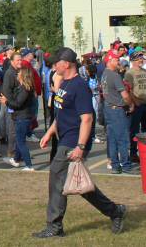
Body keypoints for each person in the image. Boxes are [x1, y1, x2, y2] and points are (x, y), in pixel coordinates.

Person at [34, 48, 125, 239]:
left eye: (56, 62)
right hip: (64, 139)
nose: (54, 66)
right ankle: (115, 211)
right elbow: (61, 113)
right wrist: (50, 132)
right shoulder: (65, 83)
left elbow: (87, 119)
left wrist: (81, 147)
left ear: (66, 64)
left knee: (57, 181)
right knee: (80, 186)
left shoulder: (79, 86)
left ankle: (54, 226)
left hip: (73, 141)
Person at [101, 52, 132, 174]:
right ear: (109, 61)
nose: (118, 62)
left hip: (108, 108)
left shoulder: (105, 74)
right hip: (117, 109)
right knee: (122, 139)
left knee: (112, 139)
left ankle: (115, 165)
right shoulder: (114, 76)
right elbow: (124, 95)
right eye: (116, 60)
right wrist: (130, 104)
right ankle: (126, 165)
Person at [8, 63, 38, 171]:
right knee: (19, 139)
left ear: (23, 74)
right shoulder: (24, 87)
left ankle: (29, 165)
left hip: (22, 117)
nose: (18, 73)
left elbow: (17, 103)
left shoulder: (25, 88)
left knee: (21, 142)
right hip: (23, 117)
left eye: (19, 72)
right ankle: (16, 160)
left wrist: (6, 102)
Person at [123, 51, 146, 163]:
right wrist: (135, 102)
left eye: (142, 58)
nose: (141, 60)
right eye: (139, 58)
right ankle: (133, 153)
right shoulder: (129, 73)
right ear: (133, 60)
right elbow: (128, 90)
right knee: (134, 130)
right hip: (137, 104)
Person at [0, 51, 24, 166]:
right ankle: (12, 154)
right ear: (12, 61)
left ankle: (18, 154)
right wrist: (12, 104)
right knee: (13, 131)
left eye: (21, 59)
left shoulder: (19, 71)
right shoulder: (10, 73)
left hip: (19, 106)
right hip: (13, 106)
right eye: (18, 60)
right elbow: (6, 91)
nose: (20, 62)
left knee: (18, 131)